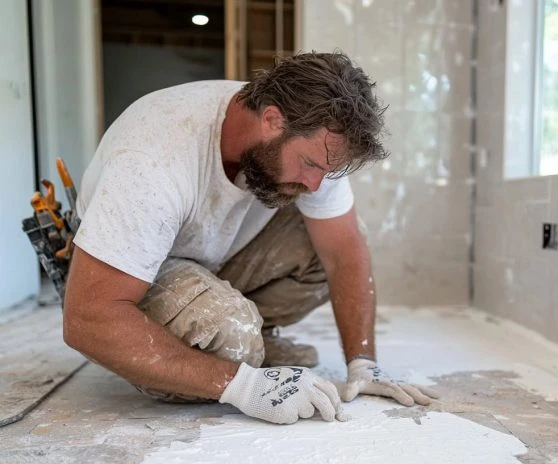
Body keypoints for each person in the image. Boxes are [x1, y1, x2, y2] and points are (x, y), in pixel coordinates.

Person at [63, 51, 438, 425]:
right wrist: (241, 386)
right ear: (272, 120)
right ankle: (230, 343)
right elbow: (87, 318)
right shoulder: (152, 159)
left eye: (325, 171)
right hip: (138, 270)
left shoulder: (314, 138)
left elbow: (344, 253)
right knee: (231, 337)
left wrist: (363, 362)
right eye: (309, 165)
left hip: (214, 254)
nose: (314, 184)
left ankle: (241, 339)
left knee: (331, 242)